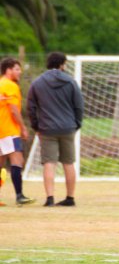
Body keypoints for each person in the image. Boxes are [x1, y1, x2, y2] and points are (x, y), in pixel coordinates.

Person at [27, 52, 85, 207]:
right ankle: (70, 198)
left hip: (47, 128)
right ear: (61, 64)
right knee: (68, 162)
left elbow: (31, 107)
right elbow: (79, 106)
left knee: (49, 163)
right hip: (68, 127)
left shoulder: (37, 83)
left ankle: (50, 198)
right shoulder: (71, 82)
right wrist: (76, 124)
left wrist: (36, 126)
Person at [0, 58, 34, 206]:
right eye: (17, 69)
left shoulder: (0, 83)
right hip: (9, 129)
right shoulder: (10, 85)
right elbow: (14, 109)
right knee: (17, 161)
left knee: (1, 163)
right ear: (8, 70)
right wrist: (23, 127)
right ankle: (19, 195)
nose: (20, 72)